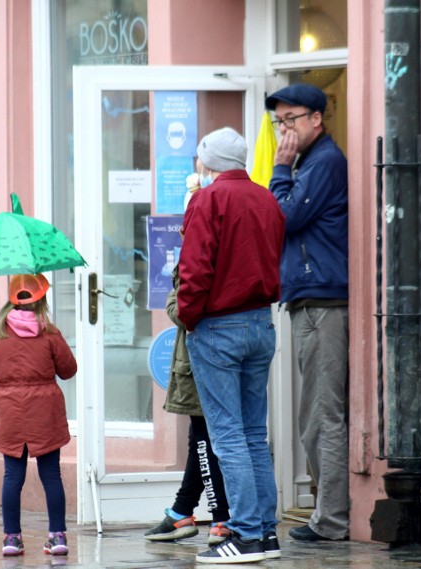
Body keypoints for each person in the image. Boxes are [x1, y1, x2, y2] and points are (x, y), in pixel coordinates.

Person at [178, 126, 286, 564]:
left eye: (201, 160)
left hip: (218, 325)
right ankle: (265, 533)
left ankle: (243, 534)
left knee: (228, 436)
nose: (198, 168)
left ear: (211, 162)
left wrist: (188, 316)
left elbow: (195, 269)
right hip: (261, 322)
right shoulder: (267, 199)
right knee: (253, 435)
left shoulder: (208, 199)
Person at [265, 83, 350, 542]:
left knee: (321, 415)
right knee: (315, 415)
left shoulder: (324, 162)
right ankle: (329, 511)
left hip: (323, 303)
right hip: (312, 299)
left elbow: (283, 218)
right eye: (279, 122)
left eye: (291, 119)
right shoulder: (312, 162)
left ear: (317, 118)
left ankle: (332, 519)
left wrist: (280, 169)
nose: (284, 130)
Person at [0, 273, 78, 557]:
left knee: (12, 476)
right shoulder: (49, 332)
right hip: (44, 412)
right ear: (42, 301)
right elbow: (69, 369)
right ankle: (57, 536)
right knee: (51, 475)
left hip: (10, 412)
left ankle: (12, 539)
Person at [144, 265, 232, 545]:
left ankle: (221, 518)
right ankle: (182, 511)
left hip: (201, 359)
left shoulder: (200, 253)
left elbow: (183, 311)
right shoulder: (230, 248)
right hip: (223, 355)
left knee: (206, 442)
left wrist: (173, 295)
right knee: (200, 440)